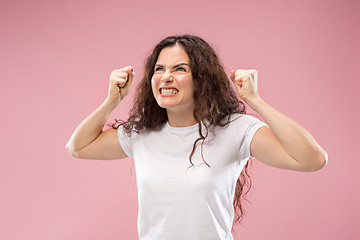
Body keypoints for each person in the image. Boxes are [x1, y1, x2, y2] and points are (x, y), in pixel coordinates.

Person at [66, 35, 328, 240]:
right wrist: (112, 100)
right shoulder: (141, 134)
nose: (166, 76)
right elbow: (78, 147)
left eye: (180, 68)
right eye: (159, 69)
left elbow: (312, 159)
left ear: (202, 79)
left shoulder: (236, 129)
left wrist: (254, 100)